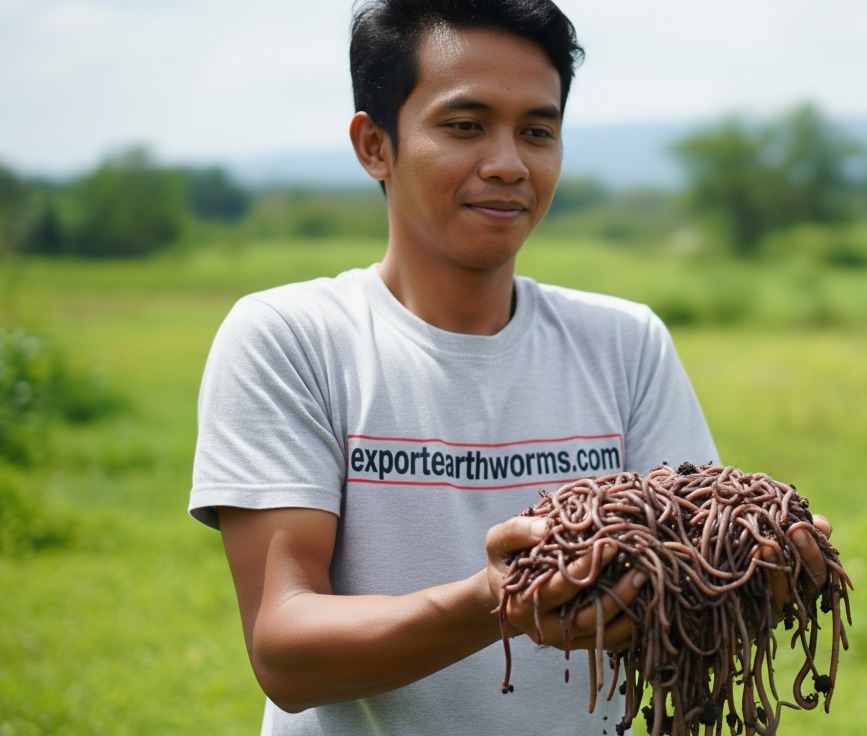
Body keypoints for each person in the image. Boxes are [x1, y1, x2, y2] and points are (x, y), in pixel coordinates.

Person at [189, 1, 831, 734]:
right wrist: (493, 601)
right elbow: (285, 650)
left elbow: (690, 573)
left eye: (538, 130)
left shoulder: (625, 342)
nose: (508, 164)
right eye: (465, 126)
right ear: (375, 145)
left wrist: (754, 576)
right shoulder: (292, 339)